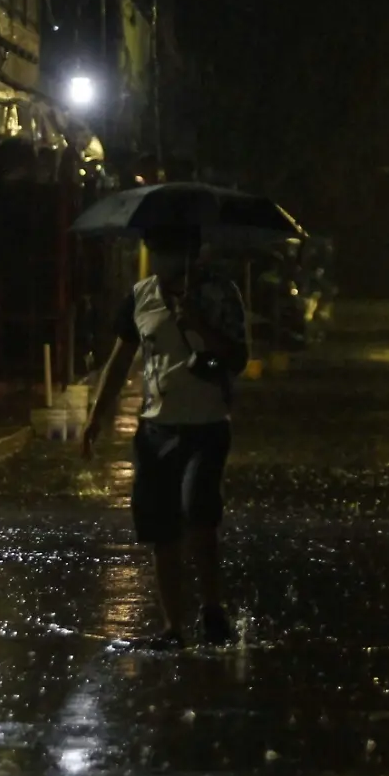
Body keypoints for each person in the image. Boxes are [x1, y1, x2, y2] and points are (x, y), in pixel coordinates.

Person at [83, 225, 248, 649]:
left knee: (200, 515)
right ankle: (174, 627)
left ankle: (212, 609)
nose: (157, 259)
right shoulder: (141, 296)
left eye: (163, 250)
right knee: (161, 529)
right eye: (153, 250)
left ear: (189, 253)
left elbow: (238, 357)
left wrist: (198, 324)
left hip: (207, 425)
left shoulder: (221, 294)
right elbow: (119, 362)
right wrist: (96, 417)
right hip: (156, 427)